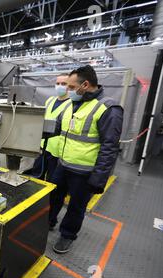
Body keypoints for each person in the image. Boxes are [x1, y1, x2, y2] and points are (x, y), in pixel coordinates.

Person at [49, 65, 123, 254]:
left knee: (76, 206)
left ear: (86, 85)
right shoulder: (69, 104)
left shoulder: (107, 108)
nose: (68, 90)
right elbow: (55, 129)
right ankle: (49, 221)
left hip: (83, 172)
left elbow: (109, 147)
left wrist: (98, 179)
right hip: (62, 165)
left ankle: (67, 235)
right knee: (53, 196)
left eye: (72, 87)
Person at [30, 73, 72, 181]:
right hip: (43, 146)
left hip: (57, 150)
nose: (60, 86)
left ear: (70, 86)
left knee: (52, 180)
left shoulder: (72, 104)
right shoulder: (50, 100)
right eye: (58, 83)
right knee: (36, 175)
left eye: (63, 83)